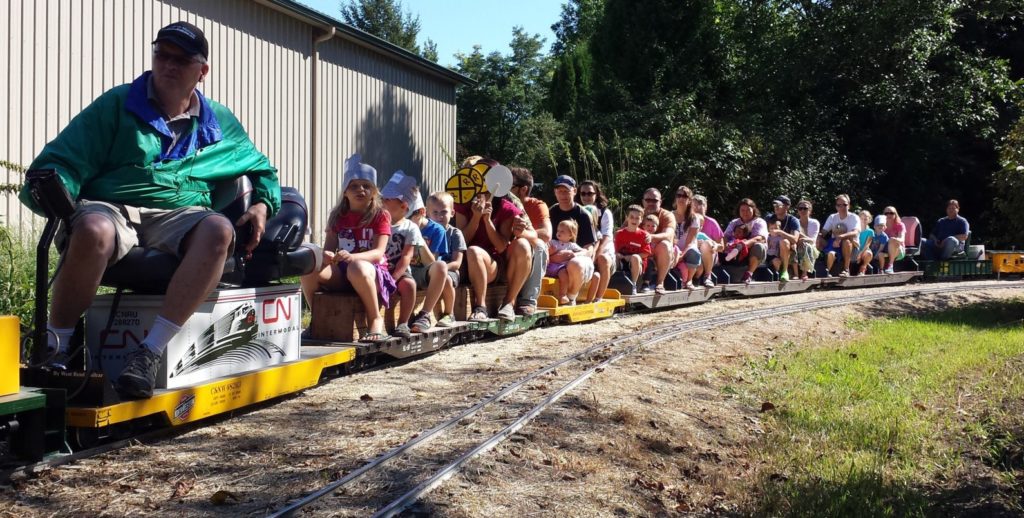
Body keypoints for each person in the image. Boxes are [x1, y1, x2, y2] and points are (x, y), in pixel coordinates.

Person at [19, 22, 281, 398]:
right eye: (162, 55)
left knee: (219, 231)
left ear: (201, 71)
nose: (169, 65)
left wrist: (262, 203)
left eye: (182, 59)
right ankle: (56, 347)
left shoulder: (219, 122)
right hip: (112, 204)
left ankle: (149, 353)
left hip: (179, 213)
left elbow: (261, 167)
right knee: (93, 228)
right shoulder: (117, 104)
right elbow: (64, 158)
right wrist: (55, 191)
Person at [302, 155, 394, 343]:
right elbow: (328, 251)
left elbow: (378, 254)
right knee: (309, 267)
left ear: (374, 192)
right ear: (345, 192)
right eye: (354, 186)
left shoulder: (380, 215)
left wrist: (352, 257)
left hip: (372, 273)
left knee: (357, 267)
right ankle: (318, 317)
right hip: (343, 273)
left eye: (366, 186)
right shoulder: (337, 216)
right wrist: (326, 255)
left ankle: (375, 318)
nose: (360, 189)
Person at [454, 158, 533, 321]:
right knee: (473, 250)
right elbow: (463, 241)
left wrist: (487, 220)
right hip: (468, 263)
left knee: (523, 245)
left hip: (495, 265)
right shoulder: (462, 203)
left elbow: (502, 246)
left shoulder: (506, 207)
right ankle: (480, 307)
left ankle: (509, 303)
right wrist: (476, 218)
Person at [410, 192, 466, 332]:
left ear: (452, 212)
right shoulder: (417, 228)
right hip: (426, 269)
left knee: (445, 277)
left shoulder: (455, 233)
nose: (440, 216)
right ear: (427, 212)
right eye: (435, 212)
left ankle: (449, 313)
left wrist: (442, 270)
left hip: (449, 269)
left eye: (444, 212)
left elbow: (457, 262)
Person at [381, 172, 424, 338]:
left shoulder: (409, 228)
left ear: (404, 206)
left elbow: (406, 256)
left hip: (399, 269)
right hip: (379, 266)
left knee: (409, 286)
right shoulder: (376, 221)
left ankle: (403, 322)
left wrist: (394, 277)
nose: (383, 202)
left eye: (388, 199)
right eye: (383, 198)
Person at [548, 175, 600, 303]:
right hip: (554, 258)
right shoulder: (551, 212)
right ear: (555, 193)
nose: (563, 195)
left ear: (574, 191)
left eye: (566, 191)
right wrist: (553, 256)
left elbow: (590, 248)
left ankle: (571, 297)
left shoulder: (583, 215)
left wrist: (573, 254)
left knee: (575, 264)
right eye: (560, 191)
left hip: (577, 258)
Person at [509, 167, 551, 315]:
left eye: (510, 186)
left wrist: (522, 233)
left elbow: (546, 234)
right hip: (510, 244)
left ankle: (528, 300)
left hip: (529, 247)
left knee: (539, 244)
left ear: (523, 189)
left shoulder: (536, 205)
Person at [579, 180, 615, 302]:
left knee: (602, 259)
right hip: (584, 248)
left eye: (589, 193)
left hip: (603, 250)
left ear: (596, 194)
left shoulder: (605, 213)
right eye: (583, 194)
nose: (586, 197)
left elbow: (607, 236)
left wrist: (595, 254)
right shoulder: (577, 211)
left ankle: (598, 297)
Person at [722, 198, 769, 284]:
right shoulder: (734, 222)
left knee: (758, 246)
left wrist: (743, 245)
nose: (745, 212)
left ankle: (749, 274)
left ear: (753, 210)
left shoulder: (759, 222)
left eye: (748, 210)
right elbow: (725, 236)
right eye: (742, 210)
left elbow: (759, 238)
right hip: (734, 249)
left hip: (754, 251)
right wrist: (726, 245)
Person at [641, 188, 678, 294]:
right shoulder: (637, 214)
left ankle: (659, 283)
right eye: (648, 200)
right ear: (643, 201)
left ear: (660, 202)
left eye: (655, 200)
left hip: (658, 252)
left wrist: (651, 237)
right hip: (639, 250)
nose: (651, 203)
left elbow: (669, 234)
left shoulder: (667, 215)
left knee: (665, 245)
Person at [671, 186, 706, 289]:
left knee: (694, 252)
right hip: (673, 248)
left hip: (687, 250)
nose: (681, 198)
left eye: (685, 196)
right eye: (679, 195)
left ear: (689, 200)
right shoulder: (670, 215)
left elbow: (690, 241)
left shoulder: (694, 218)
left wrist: (681, 255)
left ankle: (689, 280)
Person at [819, 194, 861, 277]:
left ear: (849, 205)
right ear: (836, 207)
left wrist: (840, 237)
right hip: (835, 244)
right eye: (839, 205)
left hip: (852, 247)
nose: (842, 207)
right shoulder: (832, 217)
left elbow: (855, 232)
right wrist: (817, 236)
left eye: (844, 205)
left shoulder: (854, 217)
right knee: (817, 239)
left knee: (846, 241)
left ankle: (846, 269)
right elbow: (824, 231)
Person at [546, 221, 587, 304]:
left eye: (562, 231)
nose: (558, 233)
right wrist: (550, 251)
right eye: (558, 230)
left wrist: (574, 254)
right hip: (549, 265)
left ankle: (562, 295)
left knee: (564, 275)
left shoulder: (571, 245)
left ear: (570, 235)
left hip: (561, 268)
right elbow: (545, 252)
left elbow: (584, 251)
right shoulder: (553, 242)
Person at [615, 205, 653, 294]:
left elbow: (646, 253)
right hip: (623, 260)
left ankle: (634, 285)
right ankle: (613, 281)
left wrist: (630, 256)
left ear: (641, 220)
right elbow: (616, 250)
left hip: (637, 263)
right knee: (613, 256)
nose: (634, 220)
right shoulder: (620, 234)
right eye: (631, 217)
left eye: (637, 218)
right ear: (627, 218)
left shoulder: (644, 235)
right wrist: (618, 255)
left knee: (635, 257)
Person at [764, 195, 800, 281]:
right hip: (771, 250)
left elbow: (795, 239)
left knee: (785, 242)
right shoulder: (769, 218)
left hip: (786, 251)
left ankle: (785, 271)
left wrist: (780, 232)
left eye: (778, 205)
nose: (776, 207)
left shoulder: (793, 220)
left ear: (787, 206)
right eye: (775, 205)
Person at [692, 194, 724, 286]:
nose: (697, 207)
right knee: (698, 266)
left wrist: (713, 246)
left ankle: (707, 276)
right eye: (694, 205)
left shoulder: (712, 222)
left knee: (706, 244)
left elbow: (722, 247)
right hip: (693, 252)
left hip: (709, 253)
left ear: (705, 207)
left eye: (700, 204)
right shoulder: (687, 222)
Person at [793, 199, 820, 281]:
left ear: (810, 210)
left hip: (811, 248)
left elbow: (812, 241)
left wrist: (801, 236)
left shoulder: (814, 223)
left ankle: (804, 273)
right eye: (800, 208)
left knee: (806, 245)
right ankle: (795, 274)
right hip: (797, 245)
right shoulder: (795, 222)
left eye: (805, 208)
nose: (802, 210)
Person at [880, 206, 906, 274]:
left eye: (891, 213)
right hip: (885, 249)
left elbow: (902, 239)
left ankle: (890, 266)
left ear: (895, 214)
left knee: (892, 240)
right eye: (886, 213)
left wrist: (894, 239)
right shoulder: (881, 226)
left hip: (899, 250)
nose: (889, 215)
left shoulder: (900, 225)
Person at [855, 210, 875, 275]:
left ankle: (863, 269)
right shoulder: (855, 229)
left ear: (869, 220)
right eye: (862, 219)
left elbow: (867, 245)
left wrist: (860, 254)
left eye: (866, 219)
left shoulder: (870, 231)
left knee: (869, 254)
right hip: (855, 249)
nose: (863, 220)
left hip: (864, 250)